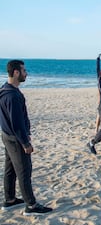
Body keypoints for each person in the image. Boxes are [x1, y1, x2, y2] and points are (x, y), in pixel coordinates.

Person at [0, 60, 53, 216]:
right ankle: (31, 205)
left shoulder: (4, 89)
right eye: (24, 70)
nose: (26, 73)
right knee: (24, 171)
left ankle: (9, 200)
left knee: (10, 169)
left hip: (6, 135)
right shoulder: (12, 95)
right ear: (16, 72)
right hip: (15, 138)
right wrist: (25, 142)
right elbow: (16, 123)